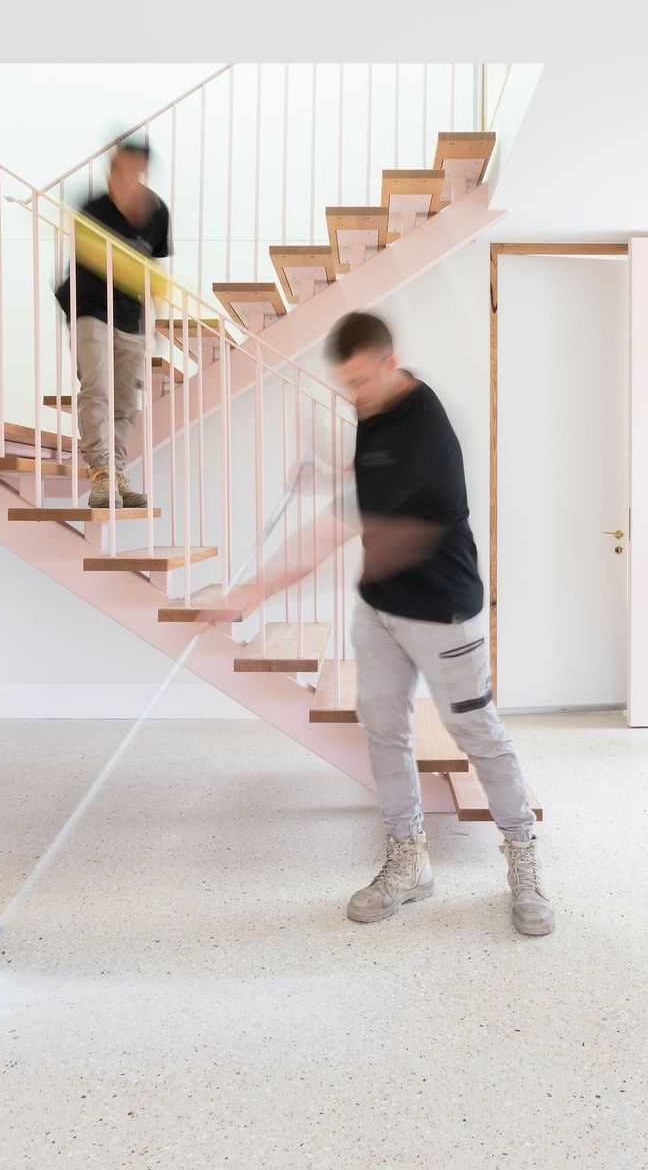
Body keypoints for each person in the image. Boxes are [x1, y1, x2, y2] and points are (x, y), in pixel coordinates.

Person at [236, 311, 554, 937]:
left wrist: (246, 593)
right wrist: (333, 475)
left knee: (480, 737)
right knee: (384, 733)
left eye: (359, 382)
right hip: (380, 608)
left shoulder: (424, 430)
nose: (352, 398)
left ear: (389, 362)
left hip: (443, 615)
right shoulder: (376, 404)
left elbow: (329, 533)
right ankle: (409, 862)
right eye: (345, 385)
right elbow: (377, 480)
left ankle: (523, 864)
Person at [55, 139, 171, 509]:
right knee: (97, 389)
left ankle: (118, 474)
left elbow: (153, 268)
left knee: (125, 403)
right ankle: (101, 473)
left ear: (143, 170)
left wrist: (156, 316)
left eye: (132, 168)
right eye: (118, 167)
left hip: (130, 317)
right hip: (89, 309)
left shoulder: (157, 212)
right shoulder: (93, 208)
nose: (122, 175)